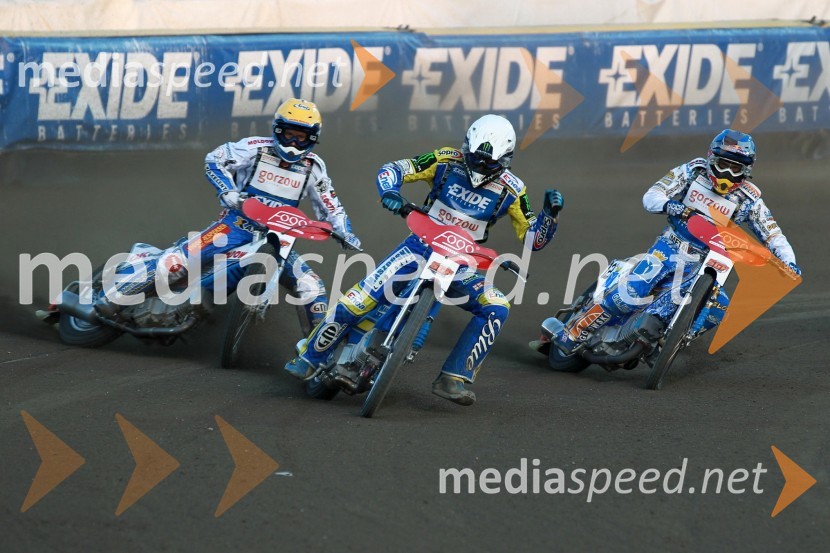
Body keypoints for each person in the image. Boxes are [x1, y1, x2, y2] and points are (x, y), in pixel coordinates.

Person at [284, 114, 564, 406]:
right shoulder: (445, 159)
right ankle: (310, 357)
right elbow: (393, 169)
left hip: (462, 264)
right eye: (475, 159)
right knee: (359, 301)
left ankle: (453, 377)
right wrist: (390, 192)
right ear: (466, 146)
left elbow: (534, 240)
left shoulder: (513, 189)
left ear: (505, 159)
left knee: (498, 306)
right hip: (419, 246)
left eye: (489, 164)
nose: (480, 168)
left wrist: (550, 218)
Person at [98, 98, 360, 333]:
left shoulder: (314, 168)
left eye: (302, 138)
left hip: (279, 240)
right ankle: (114, 298)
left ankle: (317, 354)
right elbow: (214, 159)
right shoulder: (255, 148)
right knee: (175, 264)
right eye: (289, 134)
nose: (294, 143)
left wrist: (344, 231)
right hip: (235, 225)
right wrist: (228, 192)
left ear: (313, 138)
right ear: (277, 130)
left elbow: (331, 206)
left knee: (312, 288)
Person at [561, 129, 800, 349]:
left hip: (708, 262)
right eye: (724, 164)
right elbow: (652, 195)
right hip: (670, 247)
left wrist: (788, 262)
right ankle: (574, 330)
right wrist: (671, 206)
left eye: (735, 168)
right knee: (631, 294)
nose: (727, 173)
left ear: (746, 171)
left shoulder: (749, 198)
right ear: (711, 159)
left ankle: (670, 343)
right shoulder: (692, 172)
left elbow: (773, 235)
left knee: (718, 308)